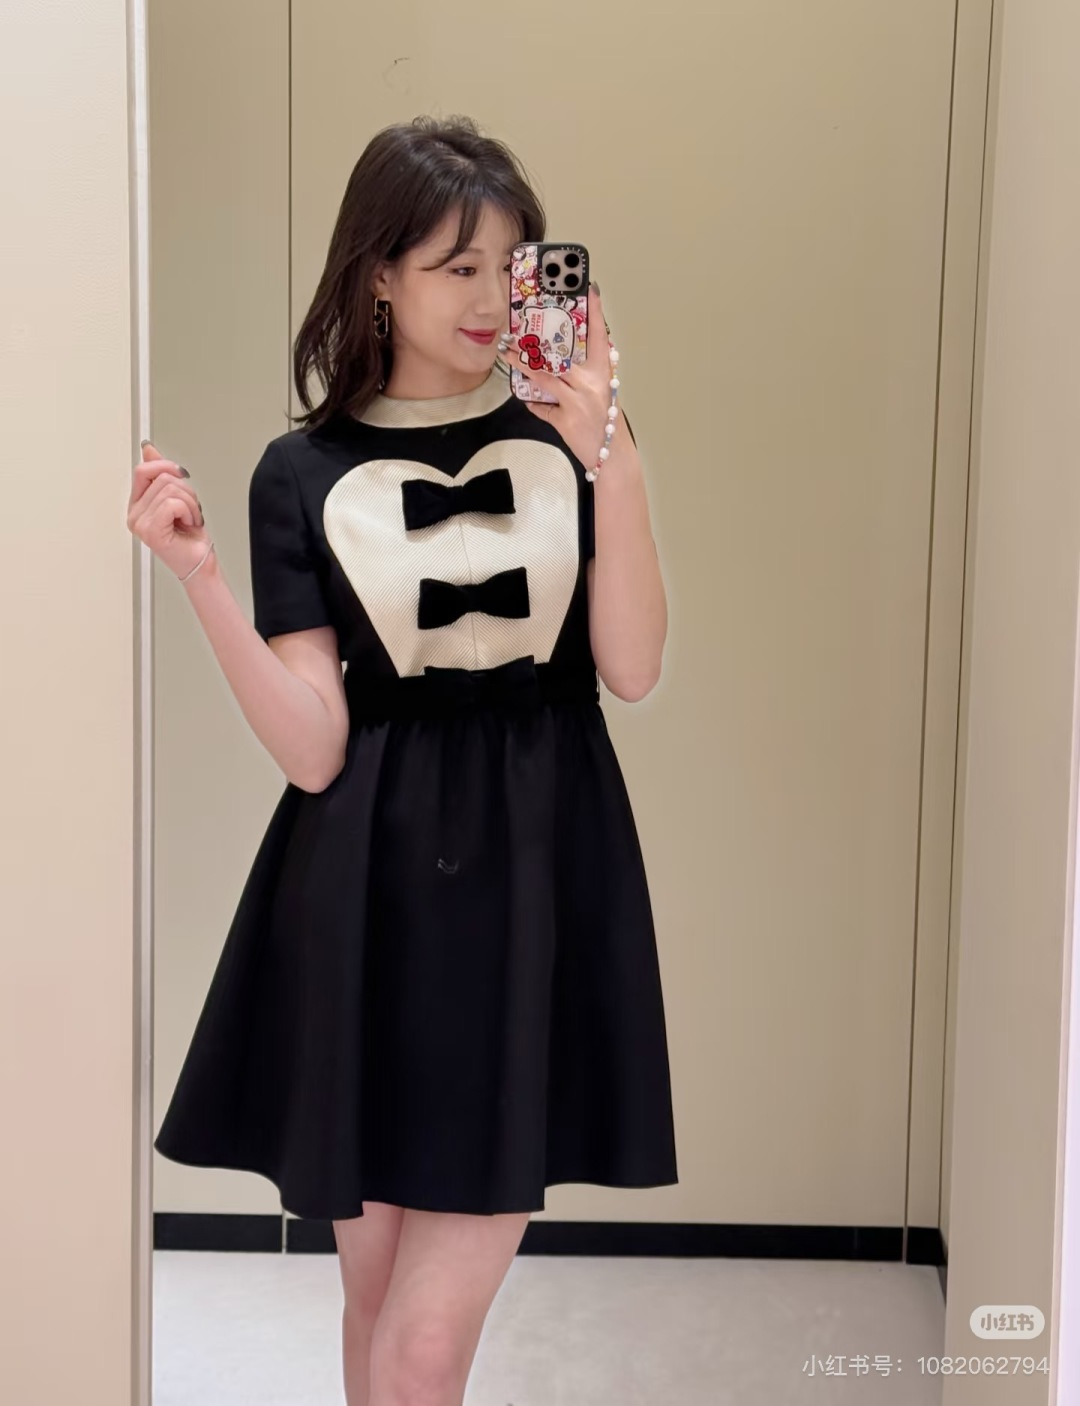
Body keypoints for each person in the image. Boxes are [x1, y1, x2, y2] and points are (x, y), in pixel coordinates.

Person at [128, 113, 677, 1406]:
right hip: (365, 899)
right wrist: (200, 577)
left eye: (510, 266)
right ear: (379, 273)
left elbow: (634, 664)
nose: (490, 299)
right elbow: (315, 746)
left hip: (535, 882)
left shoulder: (576, 441)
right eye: (455, 266)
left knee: (423, 1347)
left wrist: (612, 450)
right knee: (373, 1305)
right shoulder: (298, 472)